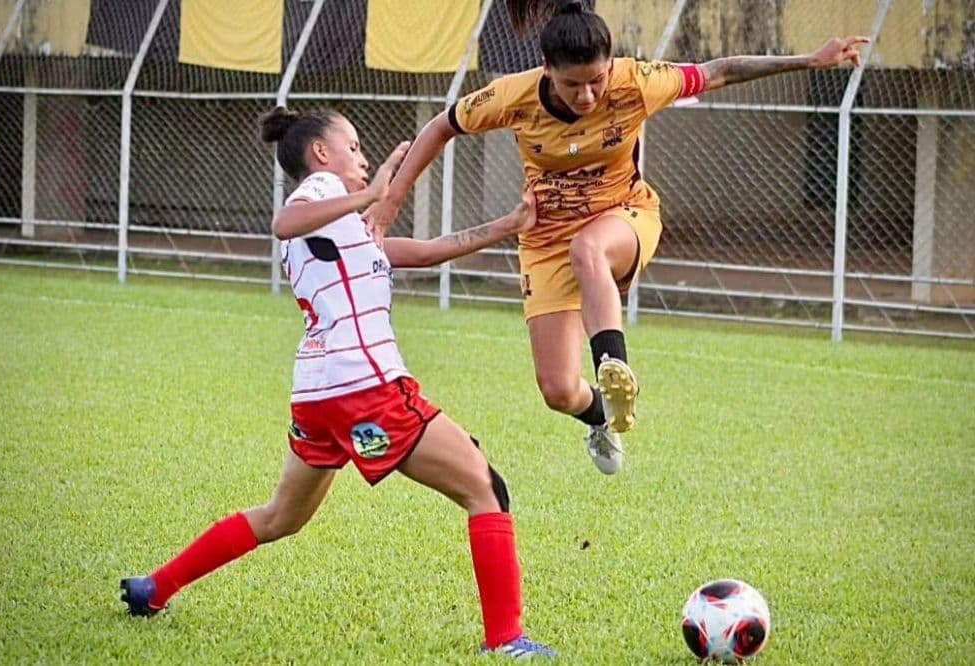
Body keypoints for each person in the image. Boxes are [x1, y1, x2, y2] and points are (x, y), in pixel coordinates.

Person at [119, 106, 556, 659]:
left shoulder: (345, 226)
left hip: (319, 395)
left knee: (282, 517)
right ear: (321, 154)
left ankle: (155, 589)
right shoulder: (321, 191)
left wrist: (506, 226)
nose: (363, 156)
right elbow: (285, 221)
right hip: (365, 386)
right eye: (353, 146)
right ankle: (508, 641)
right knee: (485, 488)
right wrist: (368, 194)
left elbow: (417, 253)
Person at [363, 0, 869, 476]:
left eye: (596, 81)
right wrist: (388, 205)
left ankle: (614, 366)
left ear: (611, 66)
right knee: (558, 389)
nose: (587, 96)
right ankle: (601, 414)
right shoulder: (513, 97)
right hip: (544, 241)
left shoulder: (636, 82)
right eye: (572, 84)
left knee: (590, 248)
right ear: (546, 69)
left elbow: (720, 70)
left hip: (624, 216)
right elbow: (439, 127)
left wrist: (809, 60)